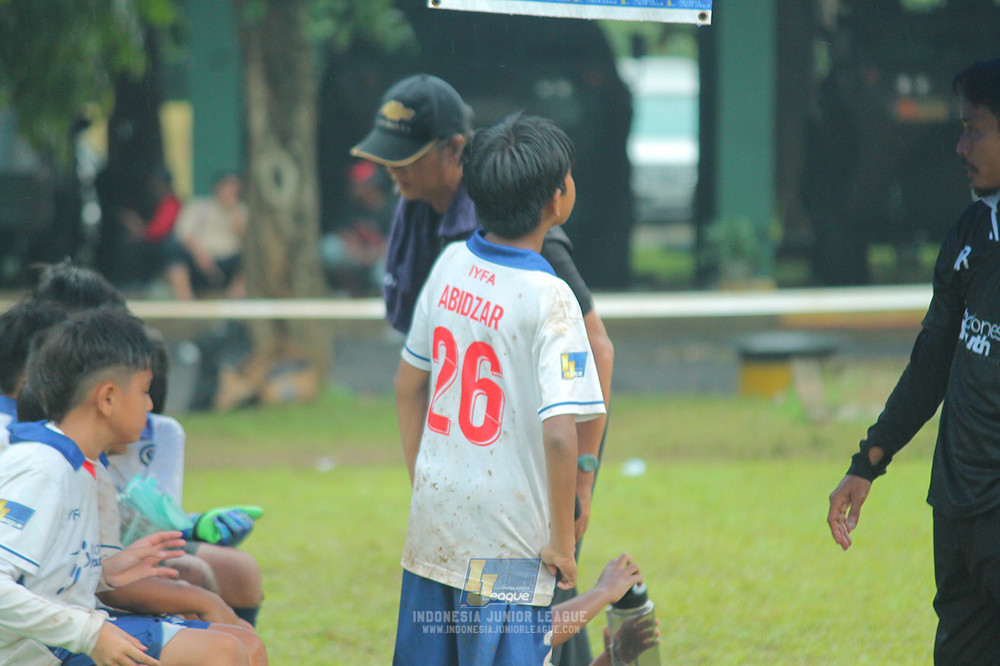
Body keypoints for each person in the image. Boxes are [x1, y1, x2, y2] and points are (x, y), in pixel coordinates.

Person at [352, 73, 614, 666]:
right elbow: (558, 428)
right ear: (558, 200)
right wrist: (563, 537)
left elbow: (407, 384)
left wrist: (426, 479)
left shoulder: (447, 263)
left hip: (435, 526)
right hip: (511, 540)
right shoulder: (551, 298)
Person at [826, 57, 1000, 663]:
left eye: (975, 129)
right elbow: (933, 361)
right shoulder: (969, 232)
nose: (960, 146)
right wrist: (868, 461)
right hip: (956, 504)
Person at [0, 308, 266, 665]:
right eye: (143, 391)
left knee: (244, 644)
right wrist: (91, 634)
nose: (151, 404)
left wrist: (106, 573)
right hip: (30, 650)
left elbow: (50, 581)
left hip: (59, 638)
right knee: (224, 652)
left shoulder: (88, 469)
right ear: (107, 398)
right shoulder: (41, 467)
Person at [167, 172, 248, 300]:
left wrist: (233, 212)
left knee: (248, 259)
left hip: (228, 262)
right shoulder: (198, 207)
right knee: (173, 250)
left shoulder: (241, 211)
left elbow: (245, 238)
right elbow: (183, 235)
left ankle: (234, 304)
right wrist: (201, 256)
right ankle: (185, 300)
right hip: (199, 259)